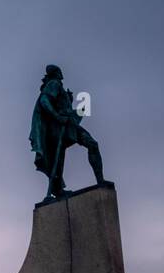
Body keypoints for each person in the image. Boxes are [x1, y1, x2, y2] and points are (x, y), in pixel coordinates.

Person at [29, 64, 110, 199]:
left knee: (88, 147)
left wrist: (72, 105)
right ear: (56, 73)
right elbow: (44, 100)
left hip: (68, 124)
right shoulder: (54, 84)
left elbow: (61, 106)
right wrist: (57, 116)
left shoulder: (58, 86)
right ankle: (61, 190)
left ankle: (99, 181)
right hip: (60, 126)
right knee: (60, 159)